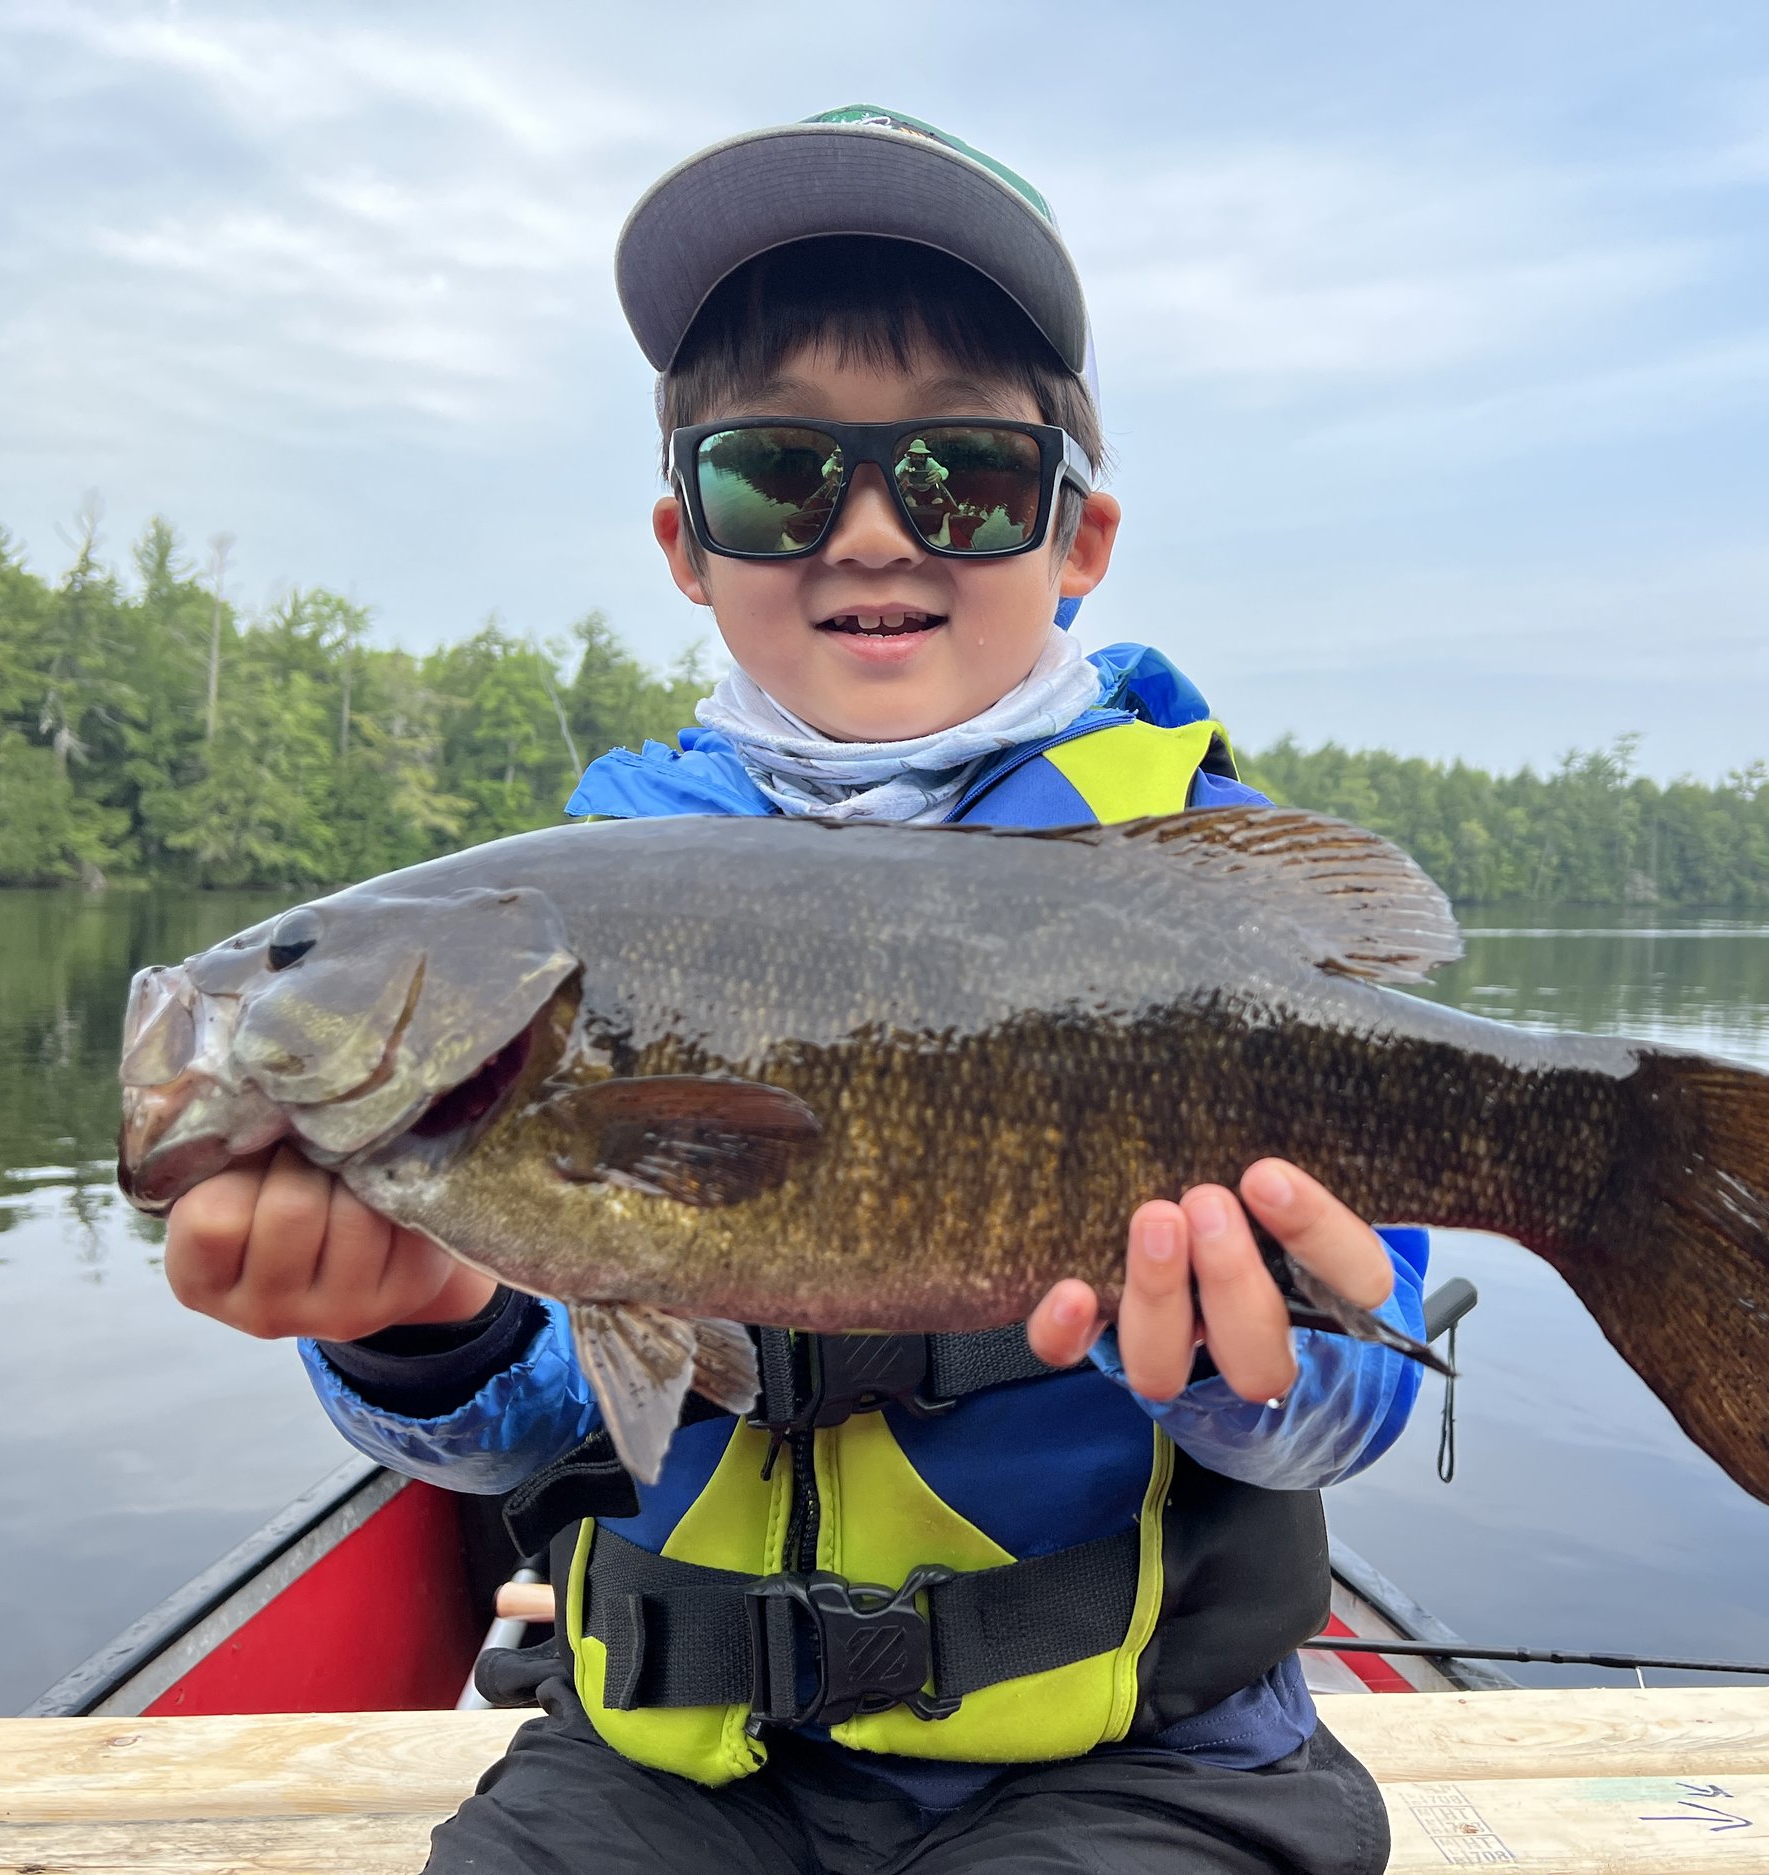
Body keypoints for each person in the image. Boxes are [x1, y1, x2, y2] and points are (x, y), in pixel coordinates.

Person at [163, 106, 1430, 1875]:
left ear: (1080, 538)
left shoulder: (1197, 878)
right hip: (672, 1765)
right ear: (686, 538)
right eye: (779, 475)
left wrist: (1249, 1371)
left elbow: (1365, 1407)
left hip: (1139, 1765)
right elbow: (515, 1430)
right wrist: (414, 1322)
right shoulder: (571, 909)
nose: (870, 535)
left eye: (965, 479)